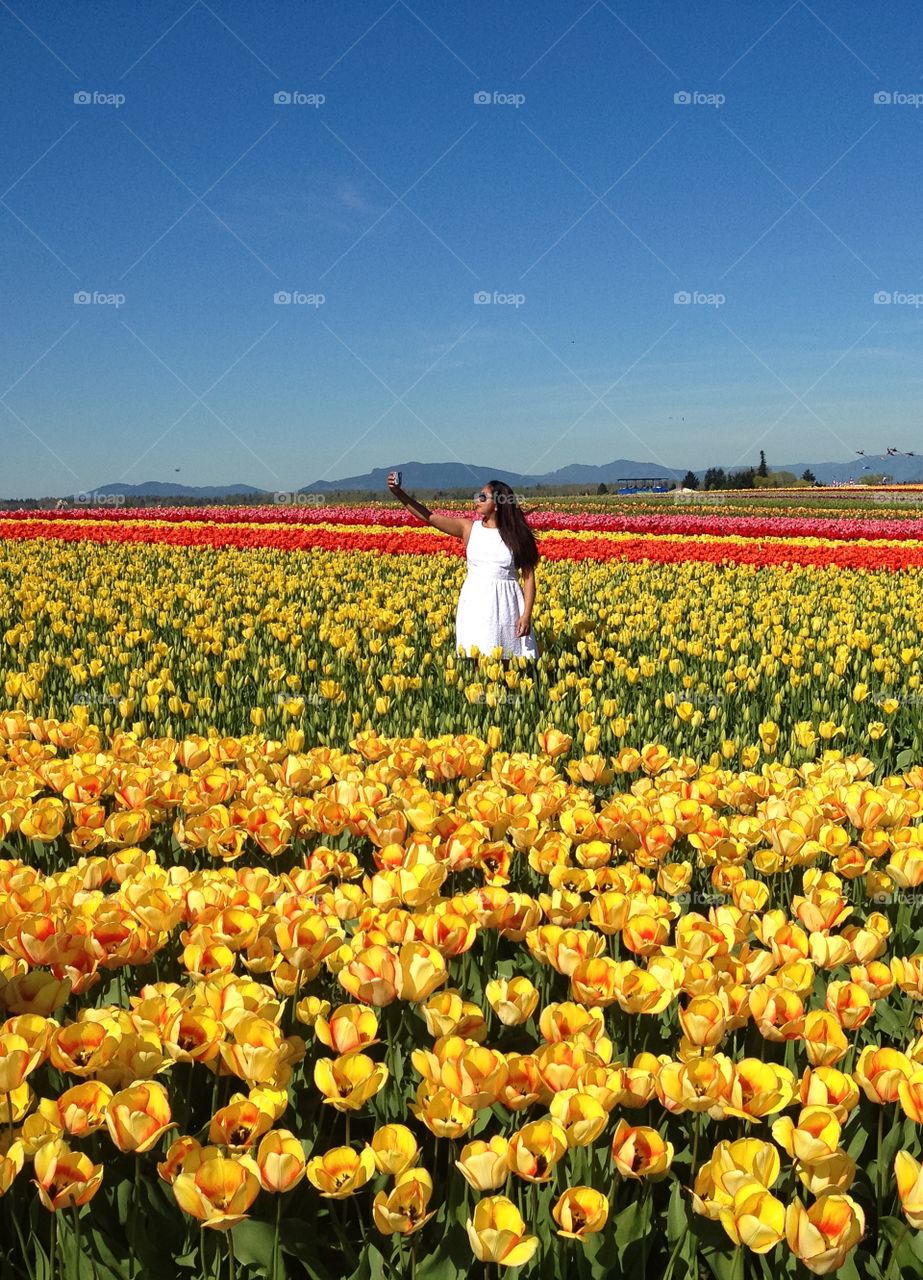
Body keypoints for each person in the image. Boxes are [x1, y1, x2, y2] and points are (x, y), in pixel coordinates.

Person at [386, 472, 540, 661]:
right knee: (478, 657)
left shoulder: (517, 536)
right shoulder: (468, 529)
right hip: (476, 601)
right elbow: (429, 517)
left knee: (507, 660)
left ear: (498, 504)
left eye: (483, 497)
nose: (477, 499)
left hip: (508, 604)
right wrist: (398, 493)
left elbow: (528, 578)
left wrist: (526, 615)